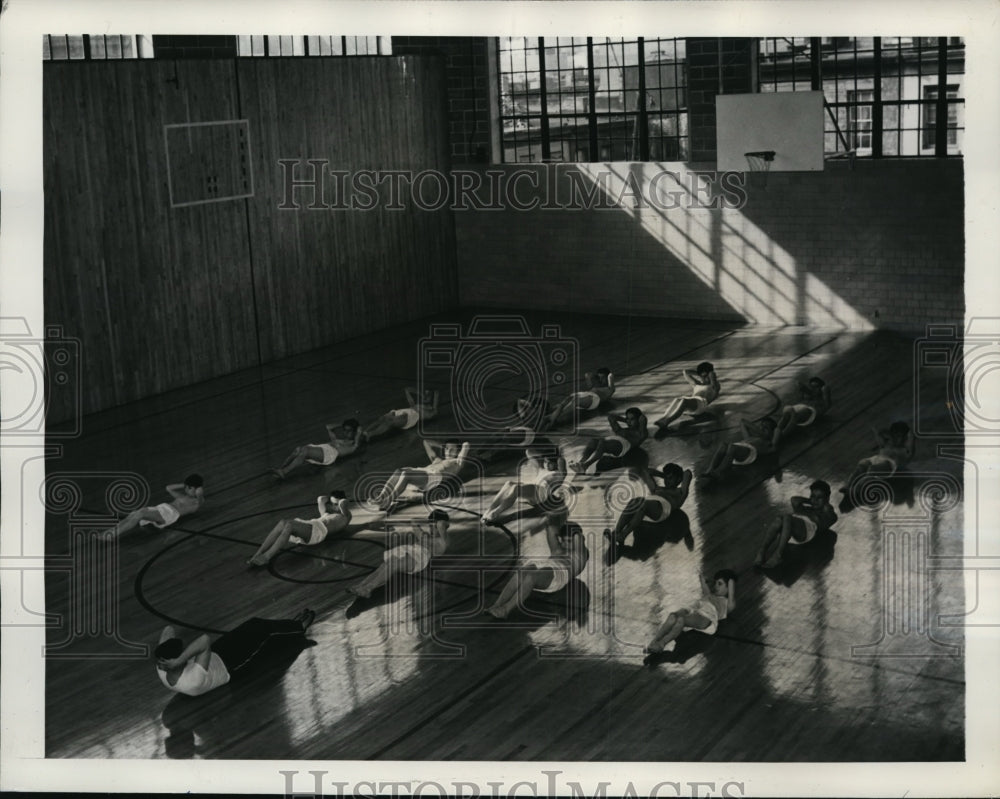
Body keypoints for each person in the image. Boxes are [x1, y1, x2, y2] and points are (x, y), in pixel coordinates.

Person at [154, 610, 316, 696]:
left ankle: (291, 625)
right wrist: (181, 658)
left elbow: (168, 630)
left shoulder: (162, 668)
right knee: (264, 633)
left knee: (254, 623)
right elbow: (204, 640)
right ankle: (298, 627)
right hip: (230, 665)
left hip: (213, 655)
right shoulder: (192, 681)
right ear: (177, 661)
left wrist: (174, 656)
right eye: (181, 654)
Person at [486, 518, 589, 618]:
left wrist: (571, 529)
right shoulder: (557, 550)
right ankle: (496, 605)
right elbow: (551, 528)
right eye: (563, 541)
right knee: (521, 572)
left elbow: (577, 537)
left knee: (531, 576)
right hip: (546, 565)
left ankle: (506, 610)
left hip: (560, 573)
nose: (564, 544)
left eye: (569, 541)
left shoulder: (579, 555)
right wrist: (558, 522)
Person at [348, 510, 450, 598]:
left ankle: (368, 589)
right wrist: (429, 520)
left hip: (420, 557)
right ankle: (362, 585)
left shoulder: (443, 541)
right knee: (384, 566)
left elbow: (441, 524)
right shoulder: (425, 535)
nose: (432, 528)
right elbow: (414, 521)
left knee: (393, 566)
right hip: (409, 550)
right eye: (431, 525)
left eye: (434, 526)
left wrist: (438, 522)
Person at [644, 569, 736, 660]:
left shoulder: (726, 603)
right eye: (716, 583)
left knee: (681, 620)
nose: (716, 586)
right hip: (695, 609)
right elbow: (704, 587)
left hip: (706, 617)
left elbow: (731, 597)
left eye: (720, 584)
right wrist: (702, 578)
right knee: (673, 616)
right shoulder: (710, 595)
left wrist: (731, 581)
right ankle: (654, 641)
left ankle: (661, 644)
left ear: (729, 587)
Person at [604, 463, 692, 555]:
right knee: (634, 501)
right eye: (666, 478)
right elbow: (646, 471)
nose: (666, 481)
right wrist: (663, 475)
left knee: (644, 503)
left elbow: (687, 473)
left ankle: (623, 535)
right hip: (652, 506)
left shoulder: (680, 492)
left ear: (678, 479)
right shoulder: (658, 488)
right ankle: (617, 532)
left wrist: (679, 475)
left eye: (670, 478)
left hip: (662, 511)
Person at [247, 491, 352, 566]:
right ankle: (258, 553)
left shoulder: (345, 516)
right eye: (332, 504)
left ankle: (266, 557)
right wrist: (330, 498)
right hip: (312, 525)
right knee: (283, 522)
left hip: (318, 532)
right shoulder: (326, 514)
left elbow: (343, 504)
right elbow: (320, 499)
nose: (334, 507)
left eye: (336, 504)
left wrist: (340, 501)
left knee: (290, 525)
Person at [755, 481, 837, 568]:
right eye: (813, 496)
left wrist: (827, 507)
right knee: (779, 519)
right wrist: (810, 501)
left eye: (819, 497)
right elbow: (794, 499)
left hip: (807, 532)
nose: (815, 500)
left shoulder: (825, 514)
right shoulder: (807, 509)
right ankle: (762, 551)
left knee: (787, 517)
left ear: (827, 499)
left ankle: (778, 555)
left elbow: (833, 518)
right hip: (790, 531)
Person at [481, 445, 567, 526]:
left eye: (550, 463)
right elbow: (529, 452)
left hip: (541, 493)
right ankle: (489, 509)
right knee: (509, 483)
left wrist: (557, 454)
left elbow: (562, 464)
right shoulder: (541, 468)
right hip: (533, 491)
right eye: (545, 462)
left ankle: (496, 513)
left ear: (556, 464)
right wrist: (544, 453)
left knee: (515, 488)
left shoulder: (558, 474)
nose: (547, 465)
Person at [374, 440, 471, 509]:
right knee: (399, 471)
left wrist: (458, 451)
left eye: (452, 449)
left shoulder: (457, 462)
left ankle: (388, 501)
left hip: (434, 477)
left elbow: (466, 444)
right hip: (423, 472)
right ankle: (381, 497)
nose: (448, 451)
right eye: (447, 449)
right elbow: (426, 442)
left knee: (405, 474)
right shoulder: (437, 460)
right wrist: (442, 445)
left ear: (458, 452)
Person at [107, 474, 204, 537]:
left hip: (170, 514)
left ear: (197, 489)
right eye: (187, 487)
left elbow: (200, 502)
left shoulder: (195, 502)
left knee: (140, 513)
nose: (187, 489)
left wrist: (199, 493)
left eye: (190, 488)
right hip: (162, 508)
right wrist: (184, 485)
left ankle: (112, 534)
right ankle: (112, 530)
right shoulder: (182, 496)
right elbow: (168, 488)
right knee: (134, 513)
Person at [271, 419, 364, 479]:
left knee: (306, 451)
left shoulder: (352, 445)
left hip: (330, 454)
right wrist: (343, 424)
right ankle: (281, 469)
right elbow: (329, 427)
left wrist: (359, 433)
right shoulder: (339, 440)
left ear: (355, 432)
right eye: (345, 430)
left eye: (349, 431)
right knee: (298, 450)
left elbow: (356, 446)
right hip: (323, 448)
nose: (346, 433)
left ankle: (284, 472)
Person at [840, 421, 915, 495]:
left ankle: (857, 488)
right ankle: (848, 485)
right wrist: (875, 430)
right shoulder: (887, 443)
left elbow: (909, 451)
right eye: (895, 435)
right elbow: (879, 439)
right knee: (862, 466)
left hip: (889, 464)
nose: (897, 438)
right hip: (876, 459)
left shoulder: (903, 449)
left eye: (900, 436)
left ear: (904, 438)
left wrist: (910, 437)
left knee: (872, 469)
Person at [700, 417, 780, 482]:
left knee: (732, 446)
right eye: (761, 426)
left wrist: (770, 434)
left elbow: (774, 445)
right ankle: (710, 469)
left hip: (750, 453)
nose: (761, 428)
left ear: (771, 434)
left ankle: (718, 472)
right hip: (740, 448)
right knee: (723, 445)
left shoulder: (767, 443)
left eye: (765, 428)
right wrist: (761, 431)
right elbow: (743, 422)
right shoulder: (750, 438)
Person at [569, 407, 648, 473]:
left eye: (632, 419)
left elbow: (643, 425)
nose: (629, 421)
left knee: (603, 442)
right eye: (628, 419)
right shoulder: (621, 430)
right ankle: (581, 463)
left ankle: (585, 466)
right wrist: (626, 420)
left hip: (624, 445)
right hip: (612, 441)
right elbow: (611, 417)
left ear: (638, 420)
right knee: (594, 441)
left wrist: (642, 421)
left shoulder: (639, 433)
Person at [653, 362, 720, 432]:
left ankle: (666, 422)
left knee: (684, 400)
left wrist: (710, 374)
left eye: (706, 376)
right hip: (692, 403)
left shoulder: (714, 386)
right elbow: (685, 372)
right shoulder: (696, 383)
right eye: (702, 376)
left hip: (701, 405)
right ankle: (663, 418)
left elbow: (714, 385)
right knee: (678, 399)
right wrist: (700, 374)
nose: (703, 378)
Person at [544, 368, 616, 428]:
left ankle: (553, 419)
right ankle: (551, 413)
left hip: (595, 399)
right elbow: (588, 375)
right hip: (586, 394)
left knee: (575, 402)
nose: (600, 379)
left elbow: (611, 376)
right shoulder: (595, 385)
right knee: (566, 401)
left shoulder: (609, 389)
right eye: (599, 377)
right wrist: (597, 376)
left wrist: (608, 376)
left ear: (607, 378)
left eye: (602, 377)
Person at [364, 387, 440, 440]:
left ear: (432, 398)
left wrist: (436, 396)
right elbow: (407, 389)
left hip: (411, 418)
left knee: (390, 422)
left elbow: (434, 412)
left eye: (428, 395)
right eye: (426, 394)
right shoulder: (419, 405)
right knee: (382, 418)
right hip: (406, 411)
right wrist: (421, 393)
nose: (426, 396)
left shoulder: (430, 410)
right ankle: (366, 432)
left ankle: (370, 434)